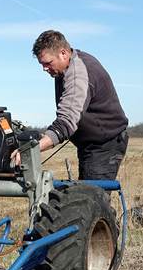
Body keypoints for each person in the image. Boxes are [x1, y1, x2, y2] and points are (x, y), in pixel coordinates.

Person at [9, 30, 129, 180]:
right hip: (90, 143)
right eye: (42, 64)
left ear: (63, 53)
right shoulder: (65, 67)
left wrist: (30, 150)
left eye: (48, 63)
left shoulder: (78, 75)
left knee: (91, 198)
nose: (44, 68)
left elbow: (66, 122)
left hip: (105, 144)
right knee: (87, 191)